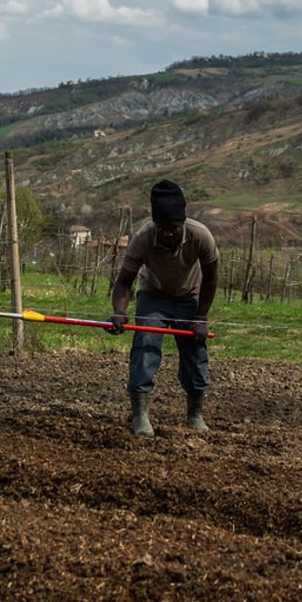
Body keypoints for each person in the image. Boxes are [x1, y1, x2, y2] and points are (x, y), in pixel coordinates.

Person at [106, 179, 219, 435]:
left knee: (195, 353)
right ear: (155, 224)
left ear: (183, 223)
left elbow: (211, 277)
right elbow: (124, 282)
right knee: (145, 342)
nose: (168, 232)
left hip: (190, 297)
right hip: (154, 295)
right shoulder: (143, 238)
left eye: (174, 228)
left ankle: (195, 413)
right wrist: (120, 312)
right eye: (163, 227)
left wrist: (201, 317)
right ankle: (140, 415)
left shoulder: (201, 235)